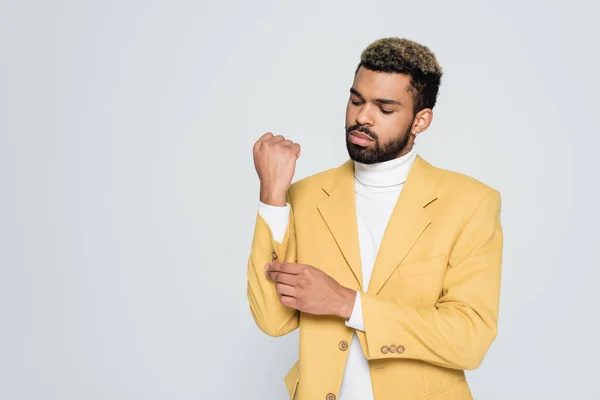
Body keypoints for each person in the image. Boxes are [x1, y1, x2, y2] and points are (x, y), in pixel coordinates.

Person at [247, 37, 503, 400]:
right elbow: (273, 321)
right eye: (356, 101)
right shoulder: (304, 196)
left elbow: (469, 339)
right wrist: (272, 196)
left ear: (421, 121)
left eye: (384, 109)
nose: (362, 117)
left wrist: (346, 303)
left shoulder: (471, 203)